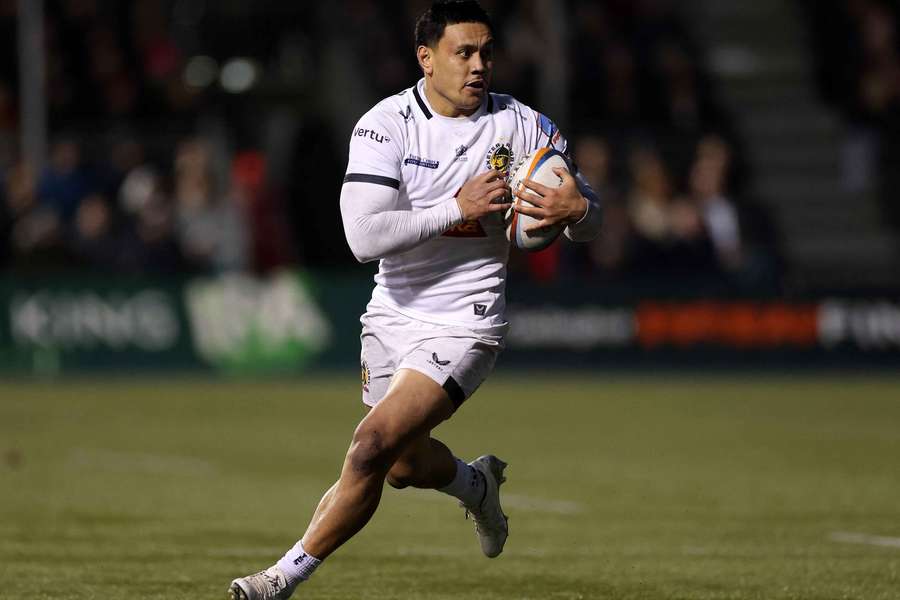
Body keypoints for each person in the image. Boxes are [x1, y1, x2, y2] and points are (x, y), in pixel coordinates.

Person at [228, 2, 602, 598]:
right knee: (401, 466)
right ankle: (476, 486)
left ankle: (281, 577)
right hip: (393, 314)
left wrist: (579, 211)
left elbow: (586, 211)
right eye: (463, 52)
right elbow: (362, 237)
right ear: (426, 58)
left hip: (466, 321)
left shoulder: (525, 125)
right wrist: (458, 207)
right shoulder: (386, 124)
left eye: (486, 52)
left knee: (370, 446)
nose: (479, 65)